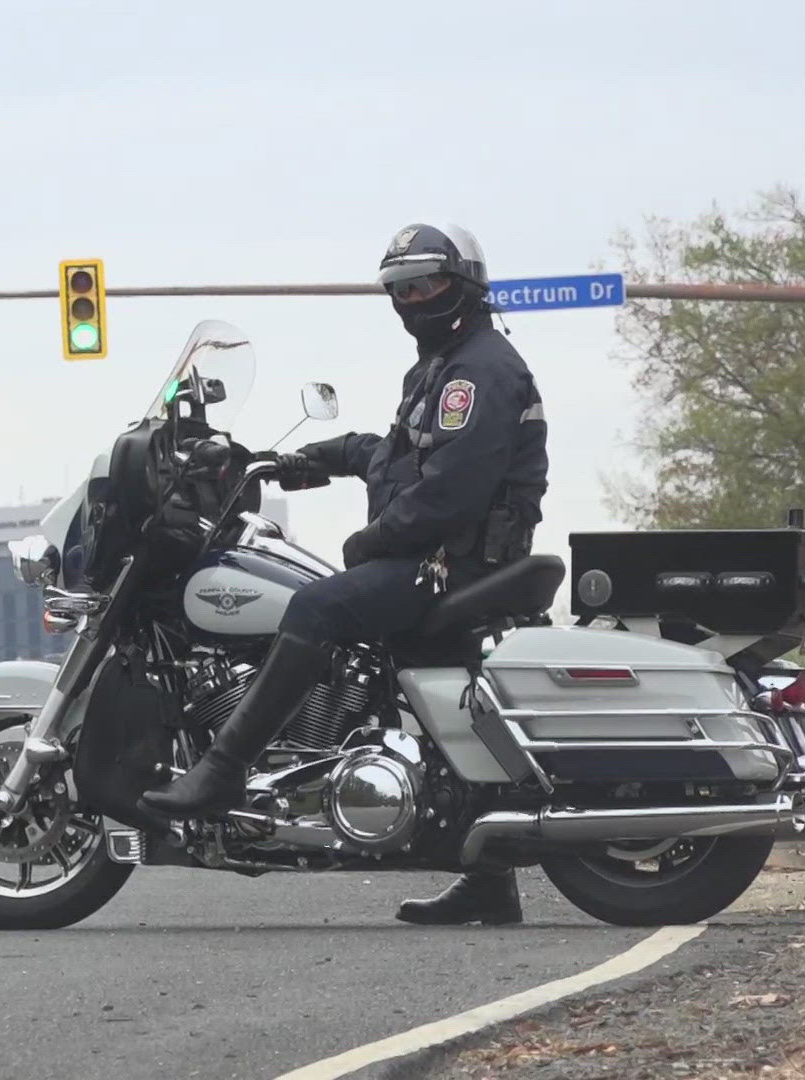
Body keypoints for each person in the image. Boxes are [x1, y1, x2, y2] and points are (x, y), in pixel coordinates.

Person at [139, 223, 549, 926]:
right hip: (440, 559)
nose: (413, 297)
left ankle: (222, 769)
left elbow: (452, 493)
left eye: (427, 282)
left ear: (465, 283)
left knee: (314, 609)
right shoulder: (444, 365)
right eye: (401, 287)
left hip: (452, 564)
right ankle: (487, 881)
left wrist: (373, 540)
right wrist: (303, 459)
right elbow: (395, 457)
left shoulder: (478, 373)